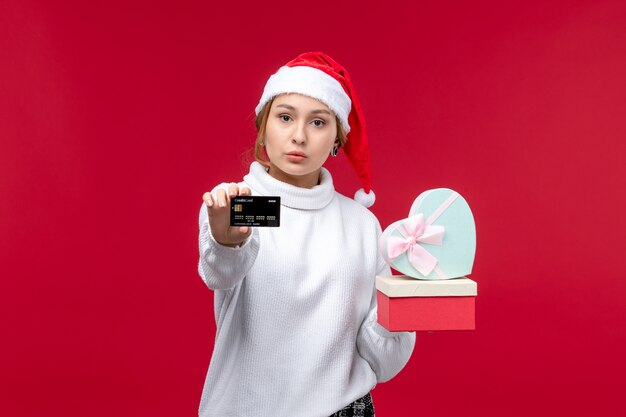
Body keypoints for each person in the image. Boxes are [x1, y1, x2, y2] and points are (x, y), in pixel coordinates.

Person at [197, 52, 415, 417]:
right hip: (248, 408)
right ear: (264, 127)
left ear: (336, 140)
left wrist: (407, 308)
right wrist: (225, 239)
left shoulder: (361, 225)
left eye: (318, 122)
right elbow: (220, 271)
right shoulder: (237, 203)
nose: (299, 135)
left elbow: (382, 361)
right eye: (285, 117)